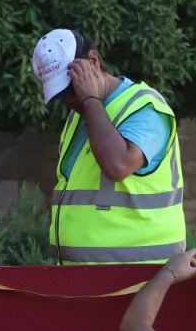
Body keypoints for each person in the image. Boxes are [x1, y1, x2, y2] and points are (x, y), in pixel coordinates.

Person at [33, 28, 184, 265]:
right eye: (61, 94)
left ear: (94, 61)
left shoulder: (146, 107)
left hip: (139, 277)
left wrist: (91, 99)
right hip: (86, 279)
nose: (68, 100)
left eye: (71, 88)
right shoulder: (79, 116)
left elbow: (118, 164)